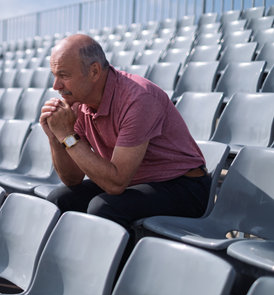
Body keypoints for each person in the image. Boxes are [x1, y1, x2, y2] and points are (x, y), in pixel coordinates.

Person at [40, 34, 211, 234]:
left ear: (94, 71)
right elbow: (72, 179)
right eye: (54, 75)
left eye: (64, 75)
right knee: (59, 199)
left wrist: (68, 136)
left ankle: (121, 266)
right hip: (136, 182)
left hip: (184, 186)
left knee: (104, 207)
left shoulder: (138, 98)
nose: (56, 85)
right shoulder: (78, 103)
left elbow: (116, 183)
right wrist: (55, 137)